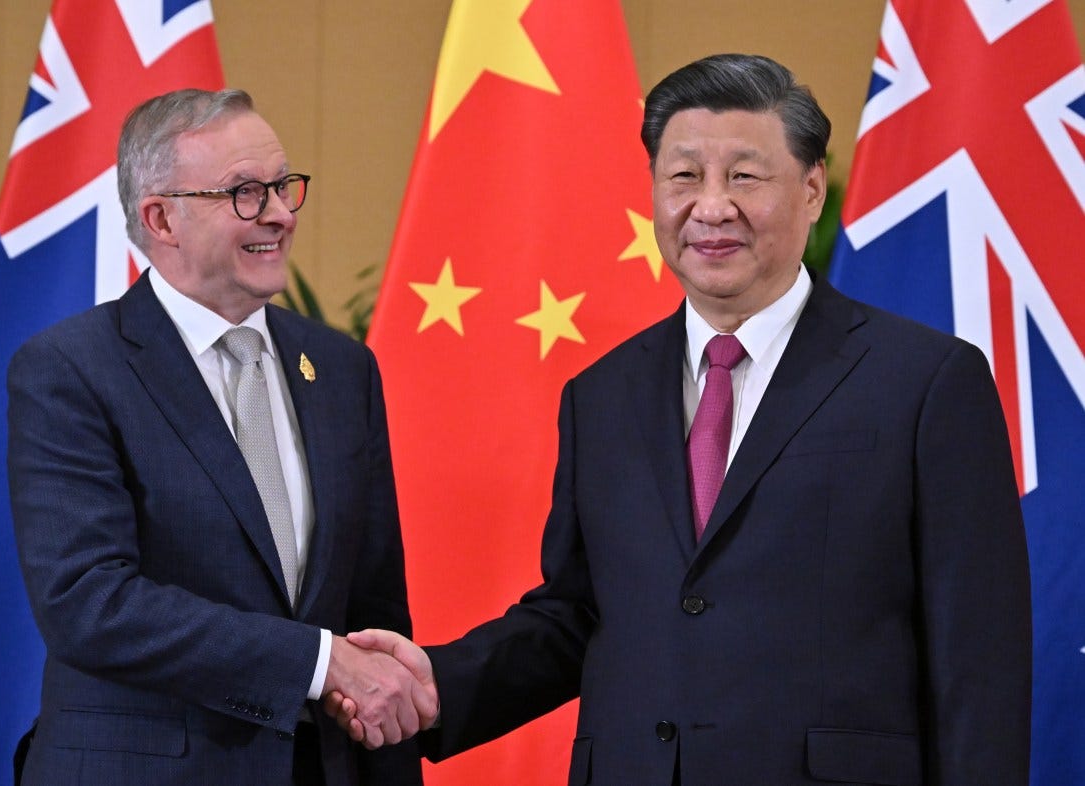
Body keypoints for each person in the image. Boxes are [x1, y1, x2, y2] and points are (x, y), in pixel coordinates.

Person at [330, 54, 1032, 785]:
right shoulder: (601, 395)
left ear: (813, 189)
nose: (712, 207)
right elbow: (580, 615)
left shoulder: (925, 381)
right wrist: (440, 683)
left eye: (745, 176)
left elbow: (978, 657)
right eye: (685, 176)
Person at [7, 88, 432, 785]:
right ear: (160, 218)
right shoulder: (70, 369)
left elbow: (373, 607)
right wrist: (317, 663)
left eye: (284, 186)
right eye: (244, 192)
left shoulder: (342, 368)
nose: (280, 213)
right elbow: (88, 602)